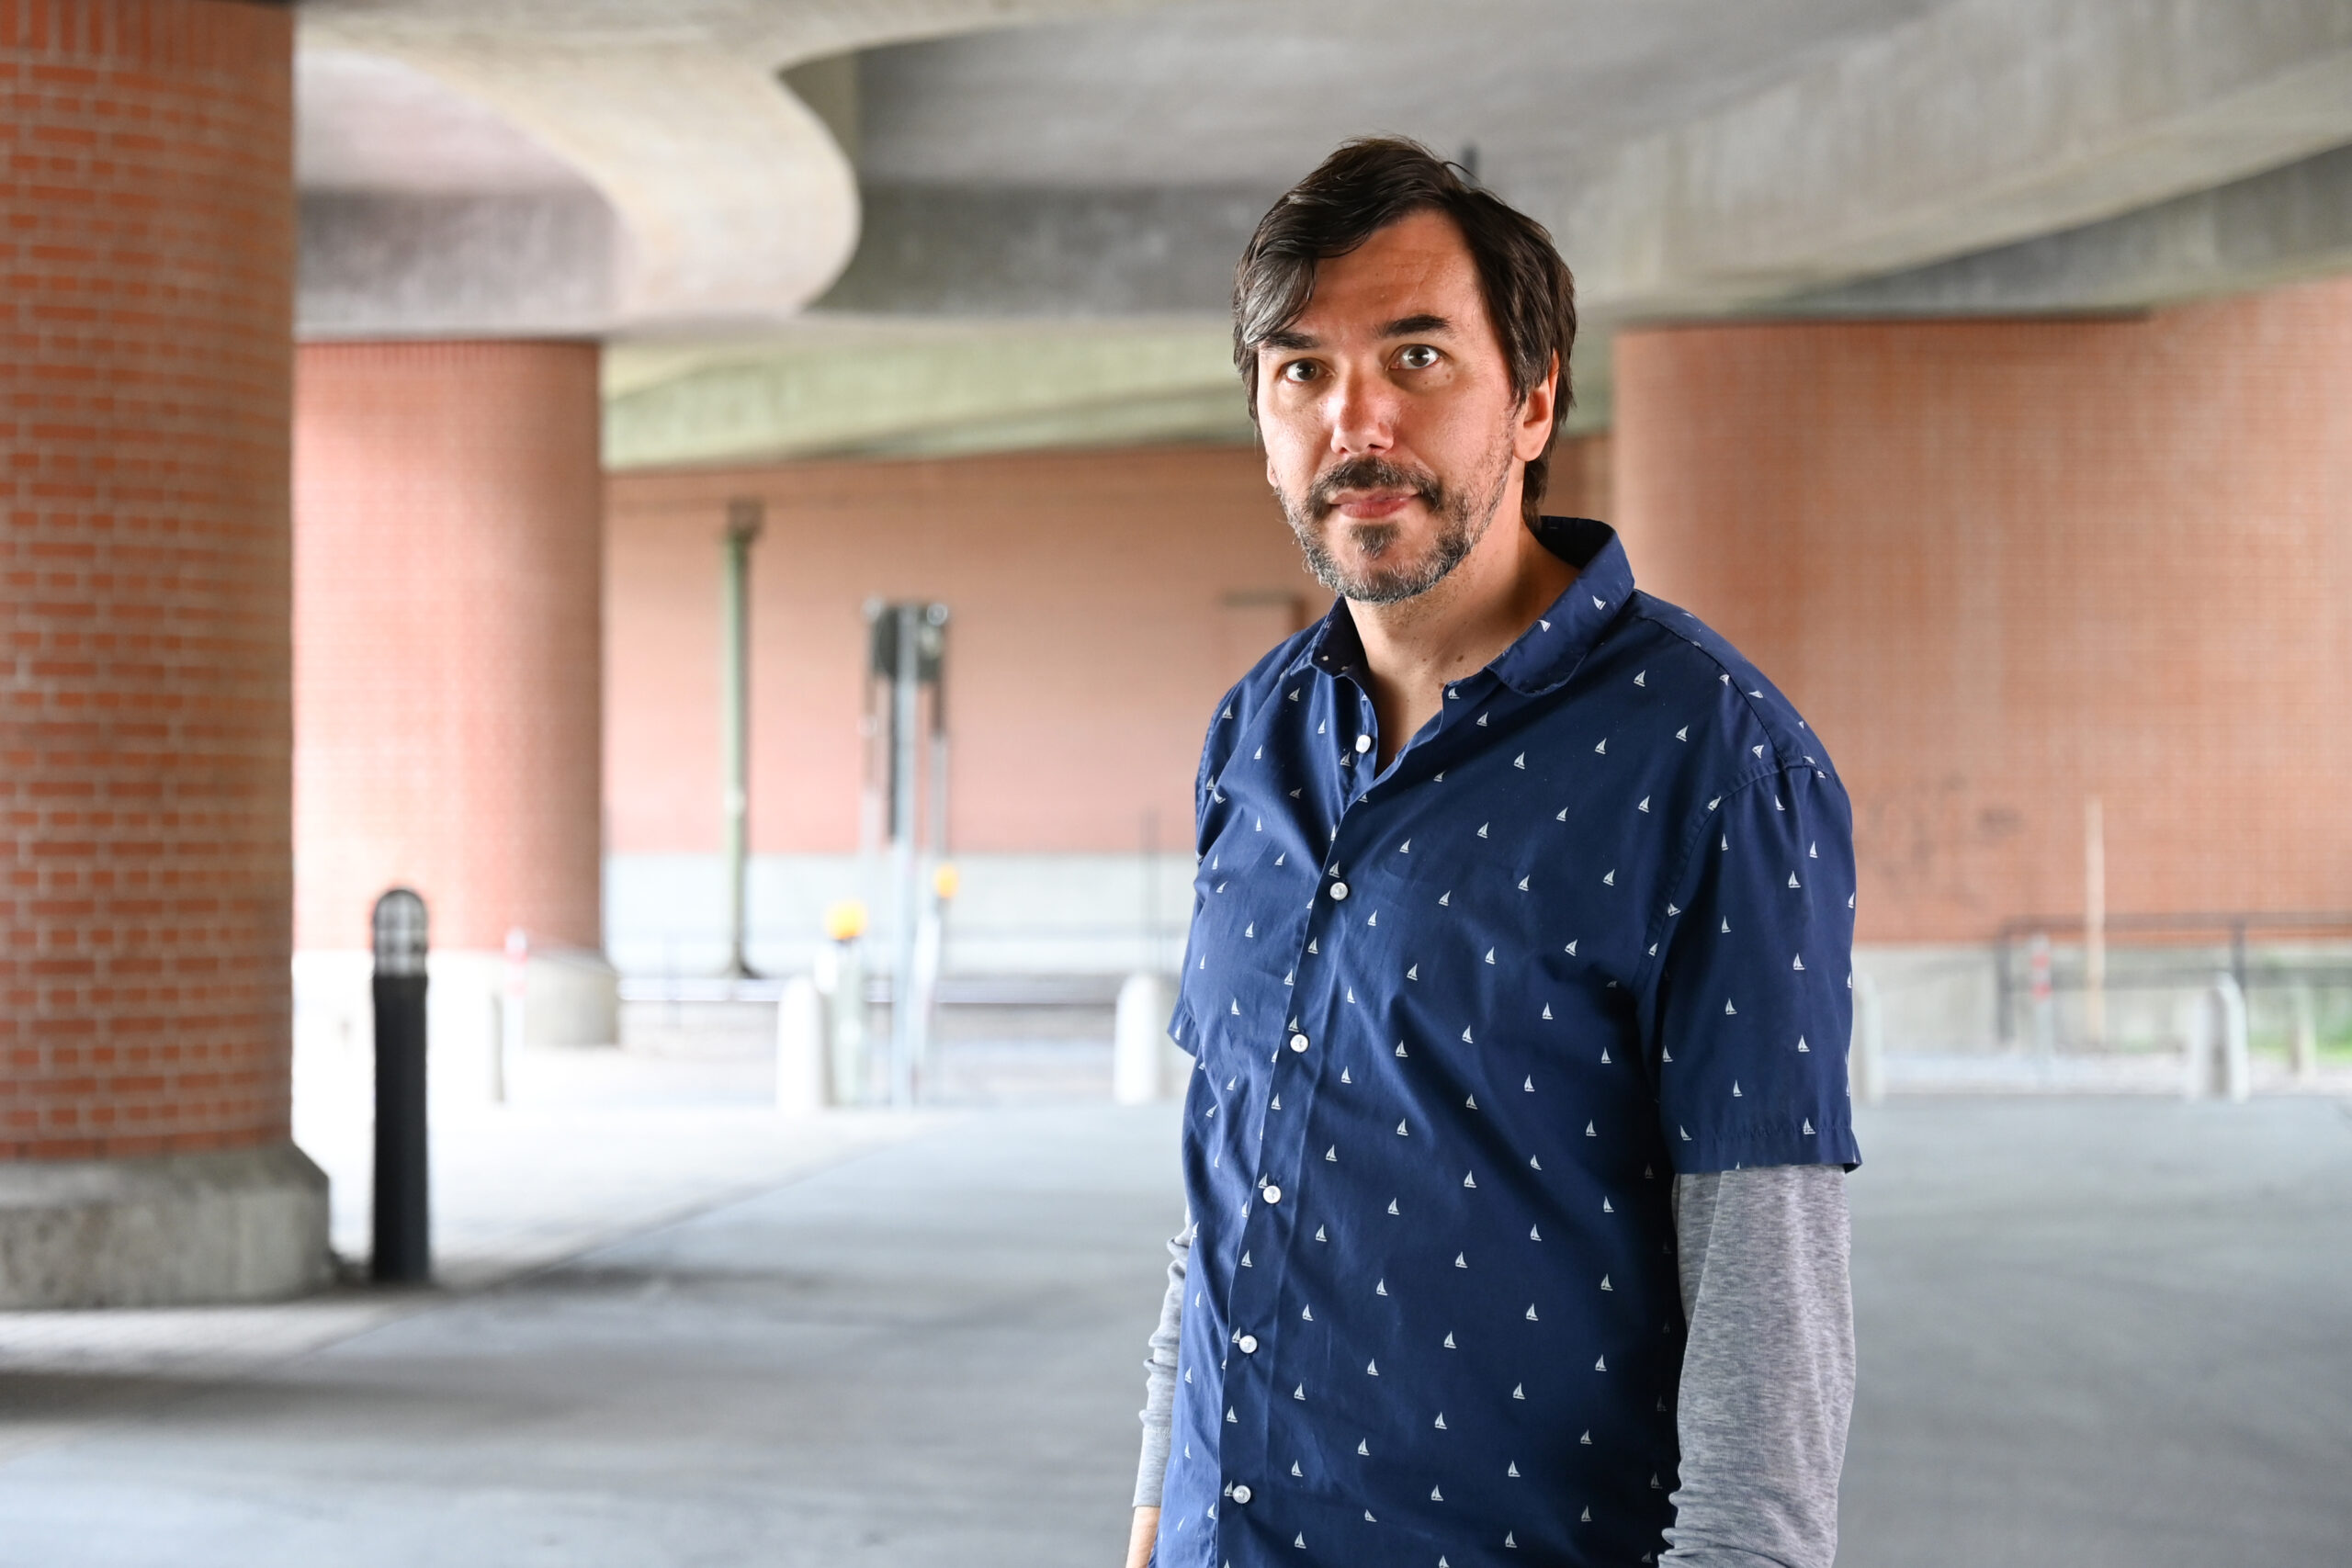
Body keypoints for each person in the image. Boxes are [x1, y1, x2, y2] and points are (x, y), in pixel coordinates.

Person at [1123, 138, 1858, 1568]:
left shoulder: (1712, 757)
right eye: (1301, 372)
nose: (1358, 421)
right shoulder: (1253, 735)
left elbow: (1770, 1312)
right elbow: (1225, 1191)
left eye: (1417, 357)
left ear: (1531, 401)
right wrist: (1155, 1515)